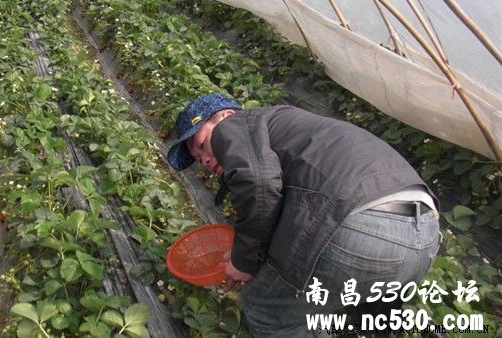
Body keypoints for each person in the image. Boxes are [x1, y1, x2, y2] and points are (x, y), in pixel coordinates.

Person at [167, 92, 440, 337]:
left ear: (224, 116)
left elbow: (259, 184)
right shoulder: (288, 127)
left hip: (360, 225)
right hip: (423, 235)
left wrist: (243, 261)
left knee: (266, 310)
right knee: (350, 311)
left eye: (201, 144)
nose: (202, 159)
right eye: (197, 158)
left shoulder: (235, 126)